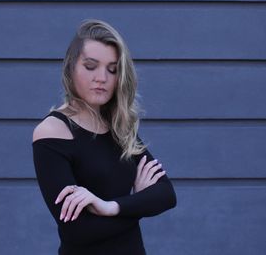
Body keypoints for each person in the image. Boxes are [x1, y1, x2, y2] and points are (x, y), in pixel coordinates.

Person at [32, 19, 177, 255]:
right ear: (71, 68)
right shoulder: (53, 131)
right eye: (91, 66)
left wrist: (110, 207)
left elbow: (166, 195)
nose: (102, 78)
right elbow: (77, 231)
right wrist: (138, 203)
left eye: (112, 69)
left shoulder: (118, 126)